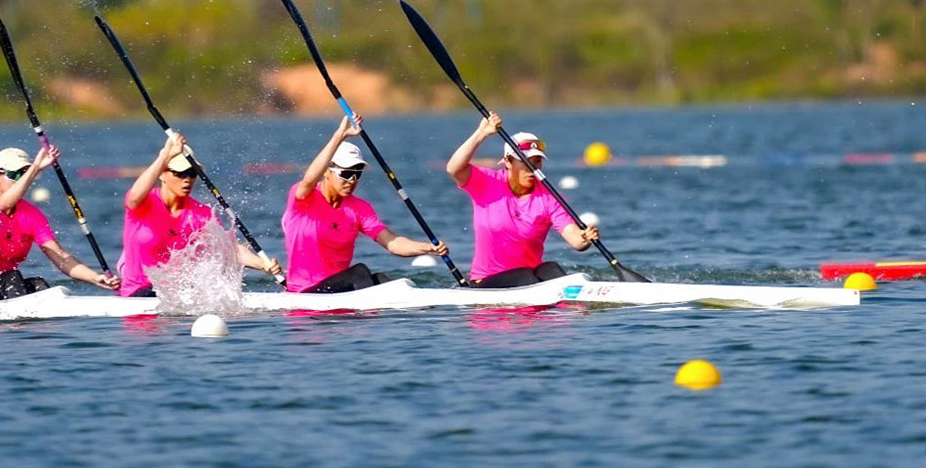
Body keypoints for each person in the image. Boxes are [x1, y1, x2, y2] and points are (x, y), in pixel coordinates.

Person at [282, 114, 448, 293]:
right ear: (327, 171)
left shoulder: (359, 208)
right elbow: (309, 180)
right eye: (346, 173)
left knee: (384, 281)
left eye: (357, 173)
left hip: (339, 289)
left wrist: (427, 248)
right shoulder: (305, 198)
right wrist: (340, 135)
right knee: (360, 272)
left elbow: (392, 243)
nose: (352, 180)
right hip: (305, 292)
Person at [117, 132, 283, 297]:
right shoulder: (143, 203)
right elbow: (134, 197)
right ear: (162, 174)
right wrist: (165, 156)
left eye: (192, 173)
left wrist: (262, 264)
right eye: (180, 173)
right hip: (139, 292)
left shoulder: (202, 214)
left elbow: (229, 248)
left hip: (176, 294)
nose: (187, 179)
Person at [446, 112, 599, 287]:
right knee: (525, 275)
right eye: (526, 161)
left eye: (537, 161)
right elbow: (454, 169)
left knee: (550, 269)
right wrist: (481, 134)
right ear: (508, 162)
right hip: (487, 282)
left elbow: (576, 240)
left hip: (530, 279)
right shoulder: (487, 182)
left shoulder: (550, 197)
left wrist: (585, 237)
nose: (532, 168)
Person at [0, 146, 121, 299]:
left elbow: (61, 257)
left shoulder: (33, 215)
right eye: (16, 175)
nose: (22, 180)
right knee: (12, 278)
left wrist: (95, 278)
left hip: (4, 288)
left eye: (26, 174)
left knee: (39, 285)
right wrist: (35, 168)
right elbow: (4, 204)